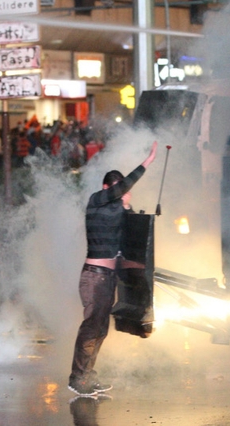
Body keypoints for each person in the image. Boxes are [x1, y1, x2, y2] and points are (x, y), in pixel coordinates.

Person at [68, 141, 158, 396]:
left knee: (101, 330)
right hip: (94, 277)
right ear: (106, 188)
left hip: (108, 278)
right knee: (91, 328)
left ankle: (87, 375)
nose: (121, 194)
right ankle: (77, 378)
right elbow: (123, 187)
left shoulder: (119, 209)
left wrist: (127, 208)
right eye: (117, 190)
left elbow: (131, 239)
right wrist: (147, 162)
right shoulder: (95, 201)